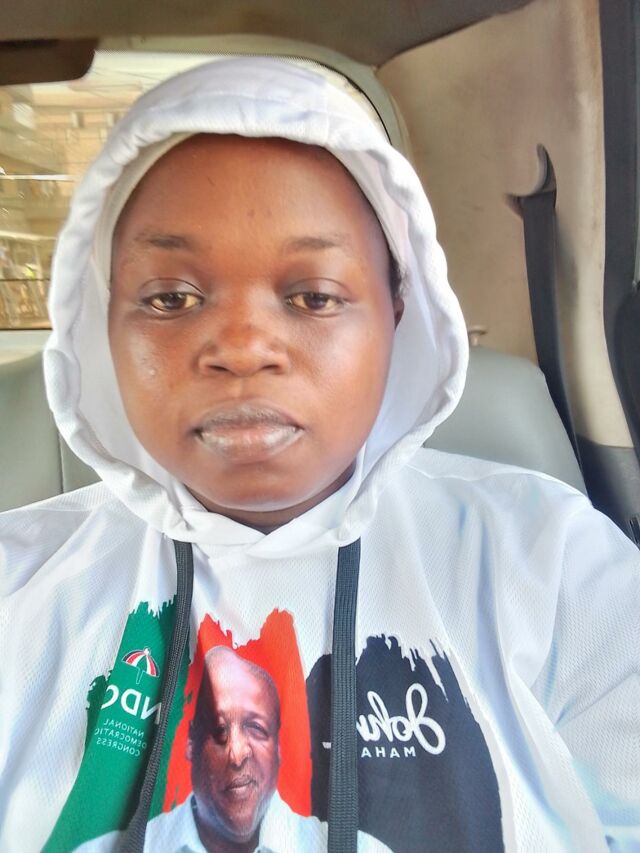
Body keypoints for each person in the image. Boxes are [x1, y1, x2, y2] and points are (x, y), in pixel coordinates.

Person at [0, 56, 638, 853]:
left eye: (313, 297)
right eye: (171, 298)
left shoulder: (551, 561)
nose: (242, 348)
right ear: (102, 322)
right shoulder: (17, 589)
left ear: (397, 312)